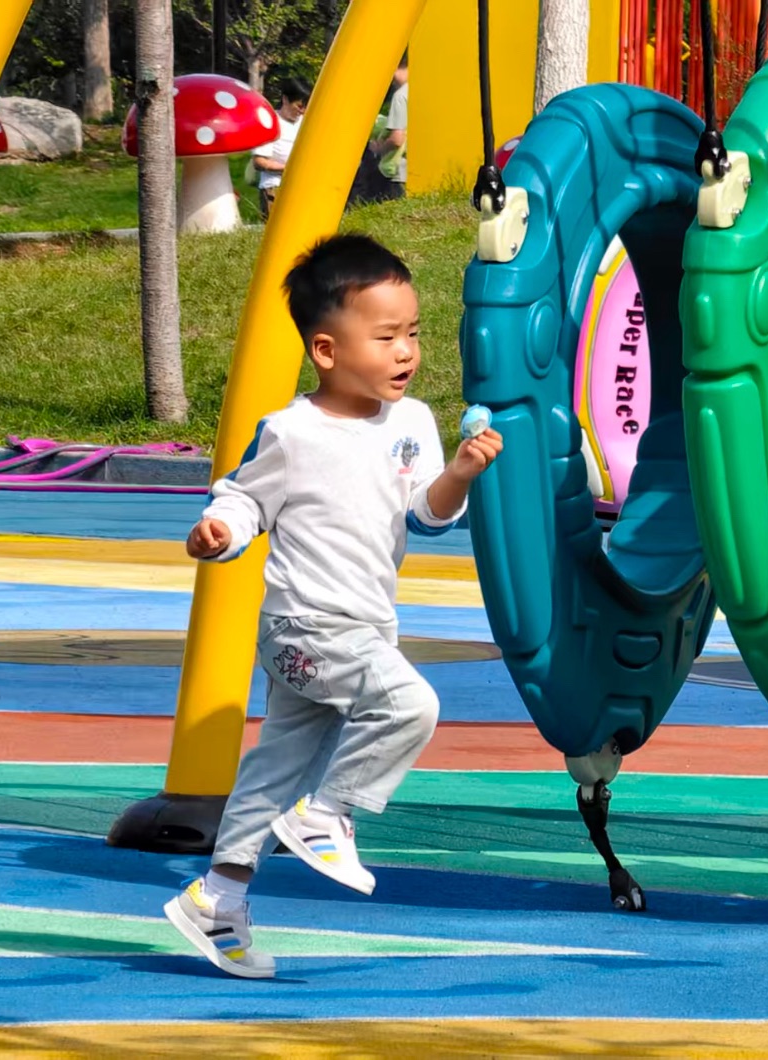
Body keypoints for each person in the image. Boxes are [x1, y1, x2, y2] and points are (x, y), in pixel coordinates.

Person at [162, 233, 504, 979]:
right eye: (385, 337)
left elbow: (427, 515)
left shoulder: (412, 422)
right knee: (410, 705)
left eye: (412, 333)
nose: (406, 352)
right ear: (325, 350)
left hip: (363, 627)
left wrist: (461, 473)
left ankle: (218, 897)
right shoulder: (293, 432)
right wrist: (220, 533)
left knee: (276, 770)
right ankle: (328, 814)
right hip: (305, 627)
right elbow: (243, 499)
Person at [347, 53, 408, 207]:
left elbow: (397, 138)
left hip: (396, 171)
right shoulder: (420, 90)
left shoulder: (401, 96)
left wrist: (378, 149)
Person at [252, 78, 312, 218]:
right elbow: (259, 162)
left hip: (302, 186)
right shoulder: (270, 122)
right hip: (275, 188)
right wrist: (289, 169)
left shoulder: (305, 122)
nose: (302, 111)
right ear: (285, 99)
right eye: (299, 106)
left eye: (306, 107)